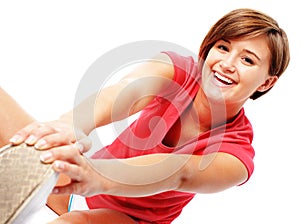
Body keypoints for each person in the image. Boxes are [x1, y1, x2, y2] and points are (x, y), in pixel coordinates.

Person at [5, 8, 290, 224]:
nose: (226, 64)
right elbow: (122, 93)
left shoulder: (237, 155)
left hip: (124, 217)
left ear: (266, 83)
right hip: (77, 181)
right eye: (223, 47)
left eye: (247, 59)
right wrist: (67, 126)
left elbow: (179, 172)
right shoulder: (177, 70)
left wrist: (97, 177)